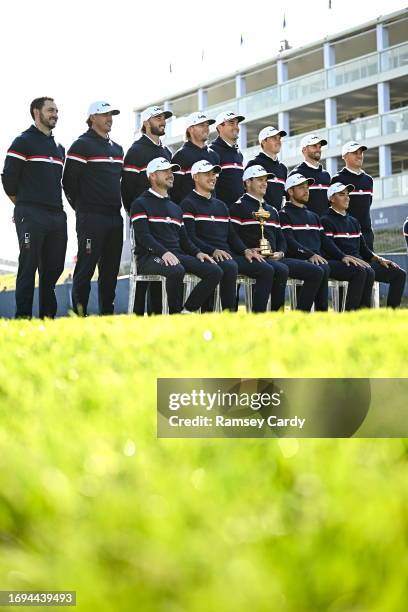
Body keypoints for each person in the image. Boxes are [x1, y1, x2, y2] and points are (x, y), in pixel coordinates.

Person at [1, 96, 67, 319]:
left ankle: (47, 318)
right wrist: (23, 207)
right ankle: (23, 317)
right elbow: (8, 180)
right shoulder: (22, 142)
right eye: (50, 110)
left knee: (53, 269)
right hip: (31, 214)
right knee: (28, 267)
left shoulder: (60, 148)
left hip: (57, 216)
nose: (55, 114)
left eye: (56, 111)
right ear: (36, 113)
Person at [130, 157, 222, 314]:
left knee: (214, 270)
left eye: (171, 171)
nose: (171, 174)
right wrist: (163, 252)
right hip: (149, 257)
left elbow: (185, 240)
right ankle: (175, 315)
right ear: (152, 175)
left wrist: (198, 253)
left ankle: (187, 311)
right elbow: (143, 236)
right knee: (176, 270)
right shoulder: (140, 203)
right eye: (165, 171)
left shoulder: (175, 208)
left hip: (176, 256)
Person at [231, 166, 330, 312]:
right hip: (250, 257)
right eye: (260, 180)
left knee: (315, 271)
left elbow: (281, 239)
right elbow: (231, 236)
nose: (265, 183)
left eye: (266, 180)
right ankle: (264, 315)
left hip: (274, 258)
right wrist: (246, 250)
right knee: (279, 269)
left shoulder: (272, 210)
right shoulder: (237, 207)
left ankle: (300, 315)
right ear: (248, 182)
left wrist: (281, 253)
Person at [181, 160, 275, 312]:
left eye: (214, 174)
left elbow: (232, 236)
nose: (212, 178)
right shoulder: (188, 204)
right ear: (196, 177)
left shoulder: (221, 206)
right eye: (207, 174)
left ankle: (259, 316)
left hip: (227, 255)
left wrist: (245, 251)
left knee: (266, 269)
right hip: (205, 255)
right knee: (230, 266)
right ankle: (228, 314)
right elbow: (190, 237)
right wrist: (213, 250)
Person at [63, 101, 123, 316]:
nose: (110, 118)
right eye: (104, 114)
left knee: (110, 271)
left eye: (111, 114)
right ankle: (80, 314)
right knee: (86, 267)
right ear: (92, 118)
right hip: (91, 217)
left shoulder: (117, 148)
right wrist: (82, 209)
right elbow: (68, 182)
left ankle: (107, 314)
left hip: (115, 218)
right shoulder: (80, 145)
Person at [122, 105, 173, 314]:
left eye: (164, 118)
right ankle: (137, 314)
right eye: (157, 118)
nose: (162, 121)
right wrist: (136, 215)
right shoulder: (135, 151)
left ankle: (157, 315)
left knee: (162, 267)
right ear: (146, 123)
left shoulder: (167, 152)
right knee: (143, 270)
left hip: (165, 222)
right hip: (143, 221)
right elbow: (126, 189)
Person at [322, 182, 406, 308]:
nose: (347, 197)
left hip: (361, 263)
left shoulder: (354, 221)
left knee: (399, 273)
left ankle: (391, 313)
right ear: (332, 199)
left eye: (347, 194)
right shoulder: (325, 220)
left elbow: (364, 249)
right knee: (364, 270)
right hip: (338, 262)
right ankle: (355, 313)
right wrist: (345, 257)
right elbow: (328, 248)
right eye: (341, 194)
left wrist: (379, 259)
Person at [279, 173, 343, 311]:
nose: (306, 190)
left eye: (307, 187)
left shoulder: (313, 216)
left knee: (324, 266)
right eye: (301, 188)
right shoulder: (283, 214)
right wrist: (309, 255)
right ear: (290, 191)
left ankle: (321, 314)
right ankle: (303, 314)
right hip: (296, 259)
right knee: (320, 268)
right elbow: (289, 242)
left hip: (316, 261)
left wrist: (342, 256)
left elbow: (325, 241)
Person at [331, 141, 374, 249]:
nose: (359, 156)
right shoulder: (337, 179)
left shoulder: (368, 180)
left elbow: (368, 205)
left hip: (366, 233)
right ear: (344, 156)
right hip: (345, 234)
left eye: (361, 153)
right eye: (355, 153)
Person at [170, 112, 220, 204]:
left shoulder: (214, 155)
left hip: (211, 212)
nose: (206, 129)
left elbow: (217, 188)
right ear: (190, 129)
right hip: (189, 213)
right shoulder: (180, 156)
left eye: (207, 125)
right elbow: (173, 190)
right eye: (201, 125)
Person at [245, 126, 287, 210]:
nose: (278, 141)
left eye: (279, 138)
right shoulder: (254, 164)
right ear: (264, 142)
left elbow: (284, 197)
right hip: (259, 215)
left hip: (277, 219)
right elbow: (246, 192)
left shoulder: (283, 168)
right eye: (274, 138)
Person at [209, 111, 245, 208]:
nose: (236, 127)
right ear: (220, 127)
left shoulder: (239, 154)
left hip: (239, 213)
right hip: (222, 213)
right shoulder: (212, 151)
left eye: (237, 123)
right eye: (231, 123)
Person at [289, 134, 330, 217]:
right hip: (306, 224)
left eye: (319, 147)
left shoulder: (326, 175)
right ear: (304, 149)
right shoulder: (296, 174)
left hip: (326, 226)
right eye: (314, 146)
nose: (318, 149)